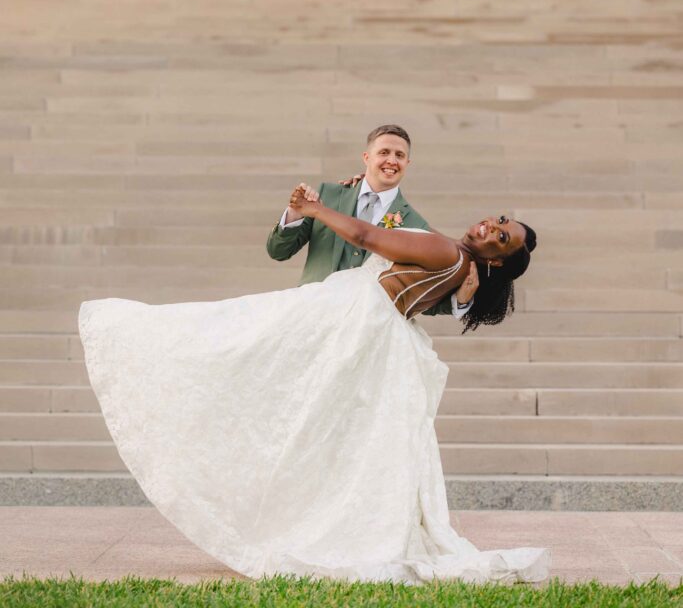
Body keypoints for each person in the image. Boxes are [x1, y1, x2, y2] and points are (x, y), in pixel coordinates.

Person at [78, 186, 548, 585]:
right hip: (365, 320)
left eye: (501, 236)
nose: (492, 226)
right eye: (500, 220)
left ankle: (140, 337)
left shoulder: (450, 253)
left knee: (236, 337)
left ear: (498, 261)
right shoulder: (456, 259)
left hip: (350, 314)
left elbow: (367, 236)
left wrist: (315, 209)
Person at [267, 124, 479, 319]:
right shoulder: (328, 196)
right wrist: (295, 213)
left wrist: (459, 301)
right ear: (366, 157)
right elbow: (278, 251)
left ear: (407, 163)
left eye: (400, 155)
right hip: (311, 314)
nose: (392, 161)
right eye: (384, 152)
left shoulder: (415, 224)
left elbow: (415, 294)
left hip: (367, 327)